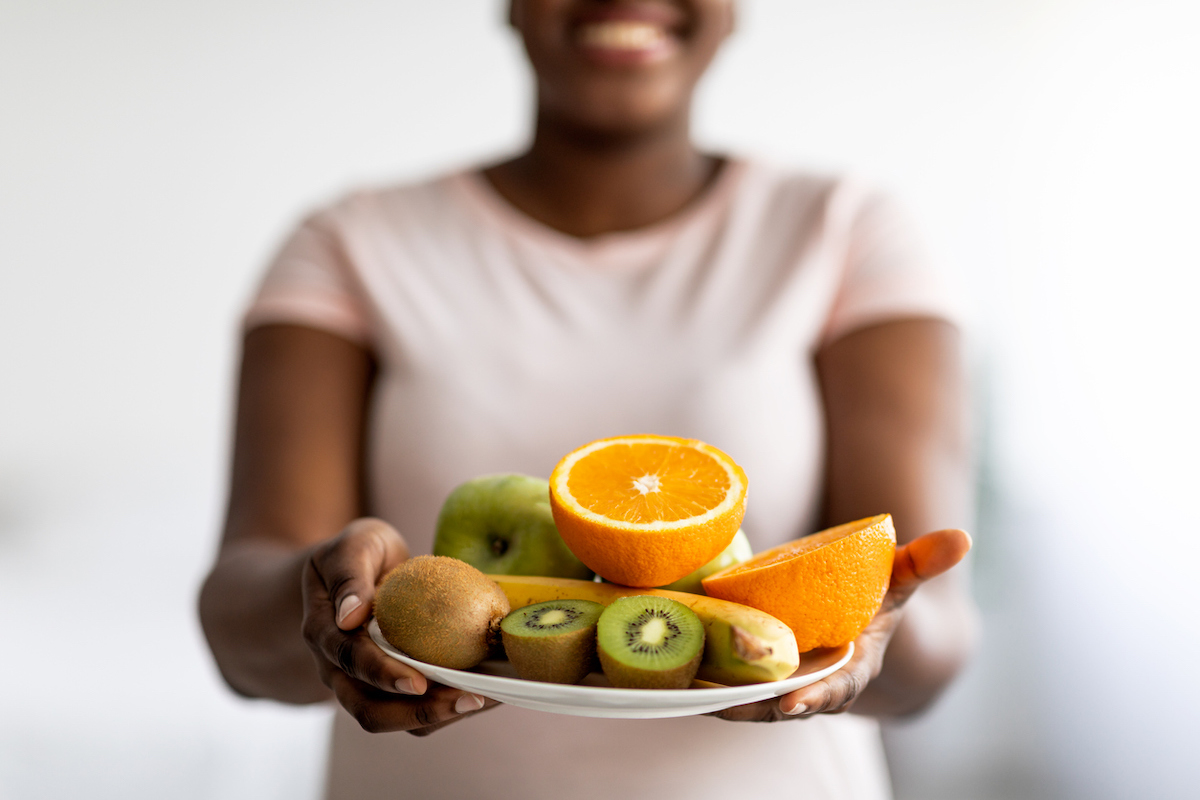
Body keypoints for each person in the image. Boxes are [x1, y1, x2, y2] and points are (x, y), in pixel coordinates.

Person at [199, 1, 978, 797]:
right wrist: (327, 602)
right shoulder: (349, 242)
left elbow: (934, 652)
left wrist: (879, 630)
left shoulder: (847, 229)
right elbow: (239, 635)